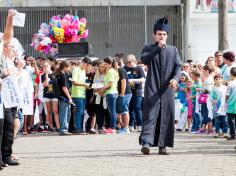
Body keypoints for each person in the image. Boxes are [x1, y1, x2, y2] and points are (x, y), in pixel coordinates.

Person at [139, 17, 182, 155]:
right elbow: (144, 60)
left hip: (167, 89)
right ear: (154, 35)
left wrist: (175, 79)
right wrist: (158, 48)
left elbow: (178, 67)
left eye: (164, 34)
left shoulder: (173, 50)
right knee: (150, 115)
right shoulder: (148, 48)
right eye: (159, 34)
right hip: (152, 87)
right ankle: (146, 143)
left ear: (167, 36)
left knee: (166, 116)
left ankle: (162, 146)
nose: (162, 36)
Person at [124, 54, 145, 132]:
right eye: (127, 63)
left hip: (137, 91)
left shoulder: (139, 69)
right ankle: (131, 125)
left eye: (130, 62)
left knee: (137, 107)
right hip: (128, 91)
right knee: (129, 108)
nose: (129, 64)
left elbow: (143, 79)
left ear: (134, 61)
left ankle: (140, 124)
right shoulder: (125, 68)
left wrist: (133, 80)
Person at [71, 57, 91, 134]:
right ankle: (78, 128)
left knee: (82, 111)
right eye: (86, 65)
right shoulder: (76, 70)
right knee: (79, 111)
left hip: (82, 94)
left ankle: (80, 128)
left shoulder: (83, 71)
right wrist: (85, 84)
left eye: (88, 65)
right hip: (77, 94)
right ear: (82, 62)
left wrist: (86, 85)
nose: (87, 67)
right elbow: (74, 82)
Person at [57, 60, 72, 135]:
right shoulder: (63, 75)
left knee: (66, 113)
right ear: (65, 67)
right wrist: (69, 97)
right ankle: (63, 129)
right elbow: (64, 87)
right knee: (64, 113)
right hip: (64, 97)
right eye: (69, 67)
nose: (70, 68)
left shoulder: (60, 74)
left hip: (62, 97)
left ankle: (64, 129)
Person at [211, 74, 228, 138]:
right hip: (217, 106)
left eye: (219, 79)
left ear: (222, 80)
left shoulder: (225, 88)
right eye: (216, 79)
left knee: (225, 119)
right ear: (214, 81)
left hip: (224, 106)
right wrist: (213, 101)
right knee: (217, 120)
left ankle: (225, 132)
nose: (218, 80)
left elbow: (228, 95)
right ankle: (217, 132)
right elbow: (211, 97)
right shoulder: (214, 88)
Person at [226, 67, 236, 140]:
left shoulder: (231, 84)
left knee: (230, 121)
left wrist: (225, 102)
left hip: (231, 106)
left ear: (231, 74)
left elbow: (227, 95)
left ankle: (232, 135)